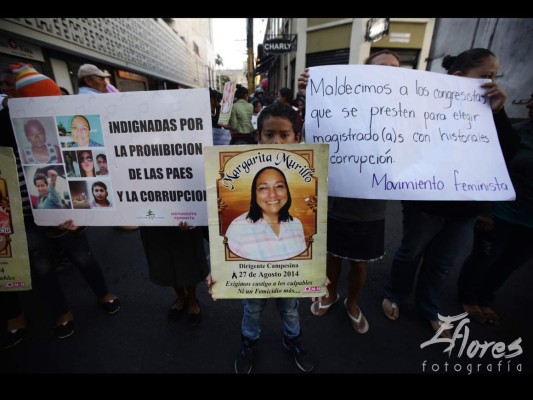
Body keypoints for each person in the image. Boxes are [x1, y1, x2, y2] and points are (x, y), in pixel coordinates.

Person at [381, 48, 520, 337]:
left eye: (496, 76)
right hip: (425, 204)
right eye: (486, 76)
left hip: (466, 208)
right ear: (459, 77)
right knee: (411, 253)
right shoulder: (425, 107)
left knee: (441, 262)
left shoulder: (490, 111)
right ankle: (395, 294)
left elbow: (507, 152)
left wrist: (499, 112)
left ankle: (429, 308)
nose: (493, 82)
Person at [0, 66, 120, 344]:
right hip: (20, 213)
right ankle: (61, 312)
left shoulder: (58, 127)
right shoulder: (3, 124)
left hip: (63, 208)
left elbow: (80, 167)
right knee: (41, 265)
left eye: (11, 84)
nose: (6, 89)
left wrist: (78, 207)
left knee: (82, 255)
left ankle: (103, 293)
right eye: (3, 84)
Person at [296, 49, 401, 335]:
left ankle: (353, 303)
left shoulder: (405, 110)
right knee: (332, 256)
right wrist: (313, 94)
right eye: (381, 68)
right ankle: (331, 295)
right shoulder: (342, 101)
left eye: (395, 68)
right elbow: (313, 139)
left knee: (359, 263)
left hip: (371, 208)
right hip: (336, 201)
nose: (388, 73)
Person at [210, 102, 314, 374]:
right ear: (258, 137)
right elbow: (224, 253)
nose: (277, 141)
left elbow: (309, 253)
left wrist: (318, 274)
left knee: (291, 310)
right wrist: (216, 273)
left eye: (284, 135)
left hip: (289, 280)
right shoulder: (239, 225)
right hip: (252, 281)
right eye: (269, 134)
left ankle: (293, 340)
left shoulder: (297, 223)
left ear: (297, 137)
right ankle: (249, 342)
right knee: (252, 311)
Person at [457, 90, 533, 325]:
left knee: (509, 264)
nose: (529, 103)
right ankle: (468, 297)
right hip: (503, 213)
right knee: (485, 257)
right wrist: (486, 210)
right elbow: (488, 167)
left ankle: (486, 299)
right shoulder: (517, 135)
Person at [226, 166, 307, 261]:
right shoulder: (238, 227)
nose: (272, 194)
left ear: (287, 191)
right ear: (254, 193)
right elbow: (226, 270)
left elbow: (303, 266)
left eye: (279, 186)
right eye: (264, 188)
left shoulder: (296, 224)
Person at [140, 221, 209, 327]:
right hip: (155, 221)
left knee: (189, 259)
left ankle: (192, 299)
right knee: (165, 260)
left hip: (182, 212)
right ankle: (181, 298)